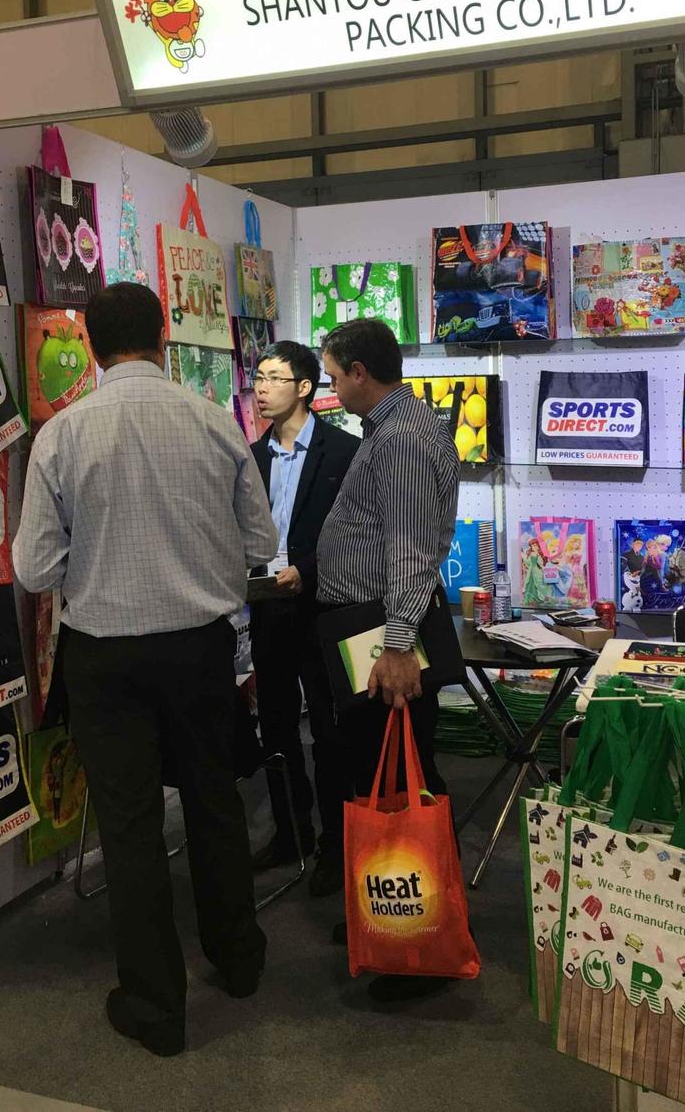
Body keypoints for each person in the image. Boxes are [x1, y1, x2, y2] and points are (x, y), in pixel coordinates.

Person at [12, 282, 277, 1058]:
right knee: (214, 801)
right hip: (201, 647)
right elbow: (261, 543)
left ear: (91, 348)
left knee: (130, 826)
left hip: (106, 654)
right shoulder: (214, 421)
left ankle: (156, 1007)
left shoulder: (63, 434)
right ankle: (239, 959)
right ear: (163, 337)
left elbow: (34, 568)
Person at [315, 319, 460, 998]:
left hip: (385, 630)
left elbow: (410, 548)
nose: (331, 388)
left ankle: (415, 943)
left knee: (402, 781)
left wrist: (399, 644)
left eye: (333, 375)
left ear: (360, 373)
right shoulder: (398, 426)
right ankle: (389, 908)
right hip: (373, 627)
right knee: (387, 771)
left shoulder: (400, 438)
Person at [247, 340, 360, 896]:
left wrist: (307, 571)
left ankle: (336, 844)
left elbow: (354, 531)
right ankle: (291, 832)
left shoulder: (344, 451)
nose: (261, 388)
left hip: (323, 605)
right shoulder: (253, 455)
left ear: (306, 387)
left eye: (274, 378)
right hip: (267, 606)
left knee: (330, 729)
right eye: (258, 378)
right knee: (275, 724)